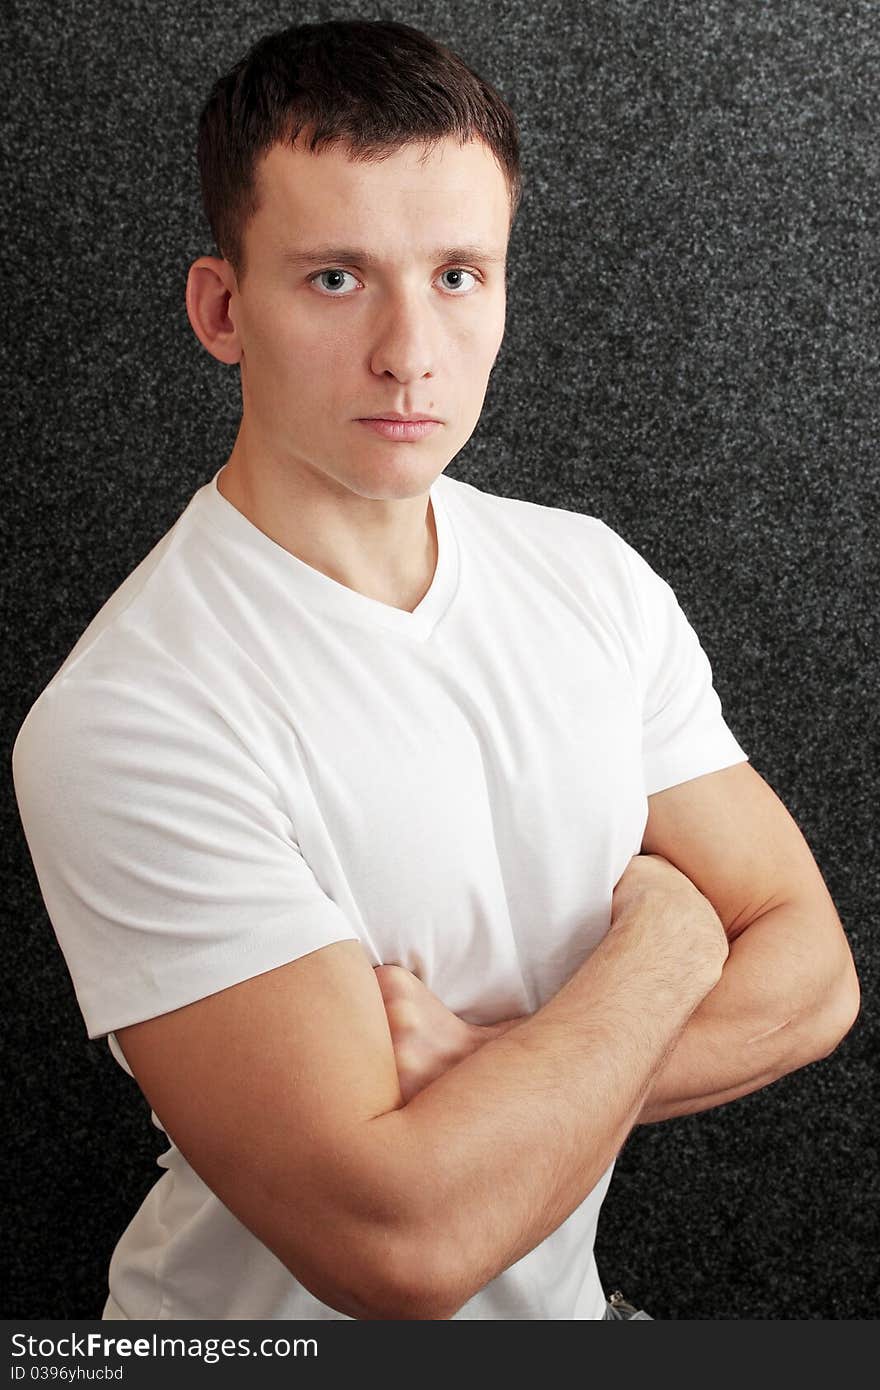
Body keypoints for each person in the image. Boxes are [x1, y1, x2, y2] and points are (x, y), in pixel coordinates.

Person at [11, 18, 859, 1323]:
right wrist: (670, 932)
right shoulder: (133, 716)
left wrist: (492, 1070)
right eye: (337, 279)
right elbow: (401, 1242)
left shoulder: (587, 579)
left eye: (459, 274)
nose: (411, 349)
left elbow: (813, 972)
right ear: (222, 309)